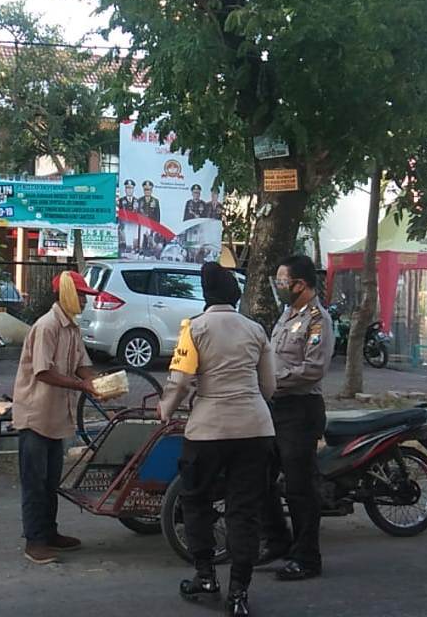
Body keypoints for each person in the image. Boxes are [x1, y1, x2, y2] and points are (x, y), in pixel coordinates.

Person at [158, 262, 275, 617]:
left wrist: (166, 408)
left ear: (206, 296)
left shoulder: (194, 329)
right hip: (255, 429)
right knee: (244, 512)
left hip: (208, 431)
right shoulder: (256, 330)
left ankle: (205, 575)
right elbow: (269, 386)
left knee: (196, 502)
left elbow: (179, 381)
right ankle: (239, 592)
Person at [12, 270, 103, 565]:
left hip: (55, 416)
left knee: (50, 481)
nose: (84, 301)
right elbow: (44, 371)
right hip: (36, 414)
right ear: (66, 295)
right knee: (35, 482)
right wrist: (83, 385)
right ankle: (34, 541)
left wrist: (101, 383)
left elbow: (81, 366)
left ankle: (49, 533)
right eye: (80, 295)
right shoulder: (47, 326)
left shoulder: (72, 328)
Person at [259, 254, 331, 580]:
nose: (279, 285)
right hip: (276, 408)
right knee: (259, 477)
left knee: (299, 487)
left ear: (300, 284)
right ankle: (278, 541)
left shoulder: (318, 320)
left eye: (283, 281)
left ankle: (307, 558)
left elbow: (313, 370)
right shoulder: (288, 314)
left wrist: (276, 381)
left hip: (300, 410)